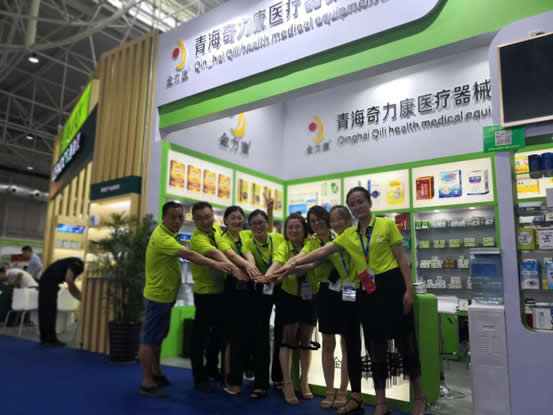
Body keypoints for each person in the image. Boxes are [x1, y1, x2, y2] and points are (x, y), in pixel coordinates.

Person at [273, 187, 425, 415]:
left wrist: (409, 290)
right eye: (353, 203)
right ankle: (381, 403)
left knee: (406, 345)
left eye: (360, 201)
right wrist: (292, 264)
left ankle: (420, 398)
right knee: (375, 348)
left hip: (392, 287)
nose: (357, 206)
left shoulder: (386, 225)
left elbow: (402, 259)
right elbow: (319, 253)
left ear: (369, 203)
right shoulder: (349, 236)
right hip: (367, 293)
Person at [139, 201, 234, 398]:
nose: (177, 221)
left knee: (158, 337)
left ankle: (156, 373)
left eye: (180, 217)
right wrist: (218, 264)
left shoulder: (179, 233)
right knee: (150, 339)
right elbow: (189, 254)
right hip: (158, 297)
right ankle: (147, 383)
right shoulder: (163, 238)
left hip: (167, 296)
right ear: (164, 218)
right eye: (172, 217)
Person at [189, 201, 248, 393]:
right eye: (200, 218)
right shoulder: (197, 239)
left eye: (208, 216)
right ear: (194, 220)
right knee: (200, 338)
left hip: (222, 292)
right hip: (205, 294)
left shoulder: (216, 229)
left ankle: (212, 370)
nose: (206, 221)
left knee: (218, 336)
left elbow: (225, 248)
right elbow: (217, 253)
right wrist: (236, 270)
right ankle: (199, 377)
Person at [263, 213, 319, 406]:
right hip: (288, 297)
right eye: (290, 227)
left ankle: (304, 381)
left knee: (305, 341)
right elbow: (277, 262)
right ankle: (287, 383)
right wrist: (268, 276)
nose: (294, 230)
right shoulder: (283, 246)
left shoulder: (312, 243)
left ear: (304, 229)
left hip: (310, 296)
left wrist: (278, 272)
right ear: (286, 231)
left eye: (297, 227)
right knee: (287, 341)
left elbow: (311, 262)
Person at [301, 206, 350, 409]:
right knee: (328, 343)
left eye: (320, 218)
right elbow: (305, 260)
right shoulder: (311, 243)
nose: (317, 223)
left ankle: (343, 391)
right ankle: (330, 391)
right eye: (312, 221)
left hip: (348, 290)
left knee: (347, 343)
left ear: (327, 219)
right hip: (324, 293)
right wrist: (288, 268)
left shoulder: (341, 236)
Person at [217, 206, 261, 395]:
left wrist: (251, 268)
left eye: (240, 217)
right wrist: (249, 268)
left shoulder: (247, 235)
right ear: (225, 221)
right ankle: (230, 379)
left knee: (249, 334)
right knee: (232, 336)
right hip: (232, 290)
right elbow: (231, 255)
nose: (237, 221)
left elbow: (250, 251)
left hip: (250, 288)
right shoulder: (222, 238)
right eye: (233, 218)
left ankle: (245, 372)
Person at [243, 209, 285, 399]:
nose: (258, 226)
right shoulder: (248, 243)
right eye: (254, 224)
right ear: (250, 227)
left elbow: (278, 259)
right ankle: (260, 383)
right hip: (261, 288)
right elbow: (249, 259)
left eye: (261, 222)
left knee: (281, 334)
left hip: (281, 287)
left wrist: (268, 276)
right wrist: (255, 271)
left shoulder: (278, 238)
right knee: (260, 334)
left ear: (267, 224)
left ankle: (279, 378)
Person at [38, 256, 84, 347]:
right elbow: (69, 280)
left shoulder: (74, 263)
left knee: (45, 311)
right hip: (49, 283)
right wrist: (81, 297)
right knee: (49, 311)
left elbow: (70, 283)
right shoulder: (78, 264)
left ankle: (45, 339)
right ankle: (50, 340)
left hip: (46, 281)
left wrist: (80, 297)